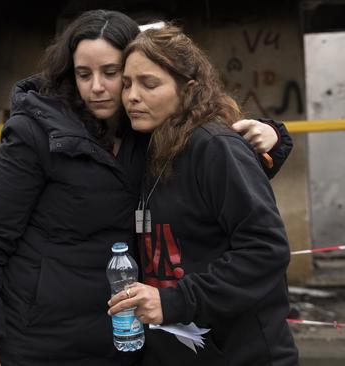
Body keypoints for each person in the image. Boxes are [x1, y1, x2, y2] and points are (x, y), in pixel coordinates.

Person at [0, 10, 292, 366]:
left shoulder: (148, 131)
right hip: (43, 341)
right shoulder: (35, 134)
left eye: (112, 74)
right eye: (84, 74)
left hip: (126, 342)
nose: (97, 87)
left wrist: (273, 137)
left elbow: (212, 157)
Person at [107, 26, 299, 365]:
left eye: (149, 84)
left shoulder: (213, 147)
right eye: (126, 84)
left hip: (241, 353)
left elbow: (265, 249)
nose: (131, 96)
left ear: (188, 90)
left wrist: (174, 302)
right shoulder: (146, 144)